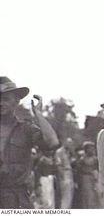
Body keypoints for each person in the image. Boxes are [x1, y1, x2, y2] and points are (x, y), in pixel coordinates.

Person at [0, 76, 60, 208]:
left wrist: (38, 113)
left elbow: (52, 142)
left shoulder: (26, 129)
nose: (1, 103)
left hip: (17, 198)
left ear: (16, 101)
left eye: (5, 99)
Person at [77, 141, 99, 208]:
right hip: (86, 178)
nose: (92, 150)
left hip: (95, 178)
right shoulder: (82, 159)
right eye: (90, 148)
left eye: (92, 148)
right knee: (88, 196)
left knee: (95, 196)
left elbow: (98, 167)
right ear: (86, 149)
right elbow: (79, 170)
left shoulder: (95, 158)